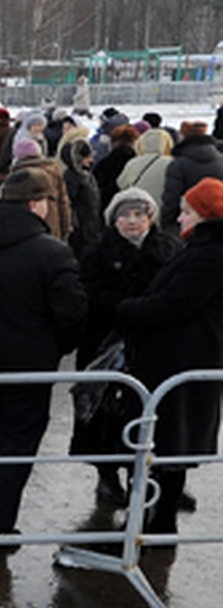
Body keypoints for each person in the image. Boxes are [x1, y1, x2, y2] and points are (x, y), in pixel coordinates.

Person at [0, 168, 86, 537]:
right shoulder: (52, 253)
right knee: (17, 445)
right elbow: (72, 314)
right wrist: (53, 350)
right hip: (29, 368)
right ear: (36, 204)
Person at [115, 178, 223, 533]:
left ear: (206, 215)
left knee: (167, 444)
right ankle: (155, 522)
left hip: (180, 363)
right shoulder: (201, 250)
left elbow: (172, 306)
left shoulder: (209, 255)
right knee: (168, 444)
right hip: (184, 360)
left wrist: (126, 309)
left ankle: (156, 525)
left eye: (187, 212)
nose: (179, 219)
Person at [73, 187, 180, 508]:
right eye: (125, 215)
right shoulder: (98, 251)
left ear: (150, 217)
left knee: (150, 410)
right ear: (114, 219)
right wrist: (126, 309)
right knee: (104, 413)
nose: (132, 221)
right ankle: (107, 477)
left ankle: (151, 477)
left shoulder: (168, 248)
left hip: (152, 342)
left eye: (139, 214)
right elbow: (90, 291)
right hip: (104, 341)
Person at [159, 121, 223, 233]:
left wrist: (167, 228)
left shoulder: (178, 164)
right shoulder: (220, 159)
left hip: (188, 225)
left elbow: (171, 200)